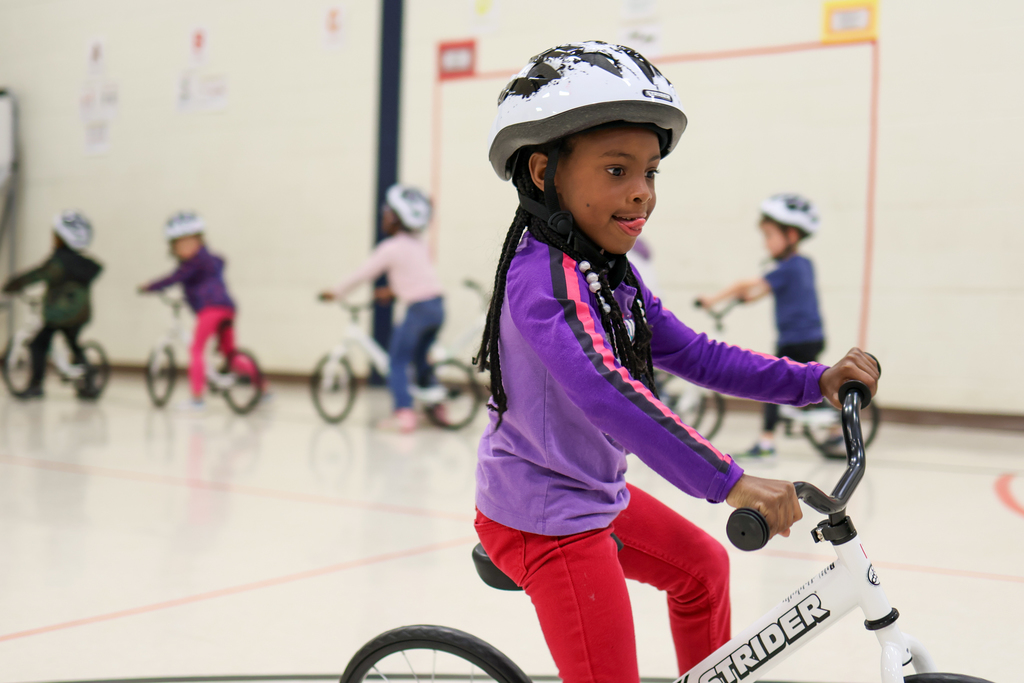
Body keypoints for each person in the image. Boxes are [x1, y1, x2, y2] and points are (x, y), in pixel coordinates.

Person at [472, 42, 879, 683]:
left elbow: (694, 353)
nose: (641, 194)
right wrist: (731, 480)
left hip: (589, 494)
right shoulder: (544, 283)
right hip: (544, 516)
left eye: (651, 172)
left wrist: (815, 381)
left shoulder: (608, 275)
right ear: (545, 172)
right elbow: (608, 394)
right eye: (616, 171)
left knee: (704, 573)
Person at [697, 194, 826, 457]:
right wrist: (749, 298)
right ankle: (831, 427)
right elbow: (760, 291)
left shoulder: (787, 268)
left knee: (774, 385)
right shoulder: (803, 264)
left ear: (790, 235)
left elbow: (749, 286)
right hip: (810, 337)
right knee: (803, 382)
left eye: (769, 236)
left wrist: (713, 300)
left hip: (795, 339)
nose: (765, 243)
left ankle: (766, 442)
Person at [320, 184, 445, 433]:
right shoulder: (418, 244)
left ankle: (404, 413)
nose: (383, 217)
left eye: (387, 213)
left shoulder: (390, 247)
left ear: (398, 219)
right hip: (437, 307)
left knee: (397, 361)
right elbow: (418, 278)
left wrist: (337, 292)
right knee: (421, 360)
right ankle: (439, 408)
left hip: (418, 310)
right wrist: (392, 291)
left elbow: (362, 274)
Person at [138, 212, 261, 411]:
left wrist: (150, 286)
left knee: (196, 349)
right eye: (180, 244)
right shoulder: (211, 260)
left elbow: (173, 278)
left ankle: (197, 400)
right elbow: (221, 261)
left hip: (210, 308)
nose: (185, 248)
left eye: (190, 242)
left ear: (200, 240)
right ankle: (261, 387)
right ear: (173, 248)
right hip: (227, 307)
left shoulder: (194, 263)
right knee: (230, 353)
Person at [2, 211, 103, 399]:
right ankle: (88, 378)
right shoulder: (85, 264)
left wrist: (12, 285)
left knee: (38, 345)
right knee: (73, 343)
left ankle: (35, 385)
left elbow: (36, 275)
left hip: (59, 315)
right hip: (81, 315)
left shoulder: (58, 263)